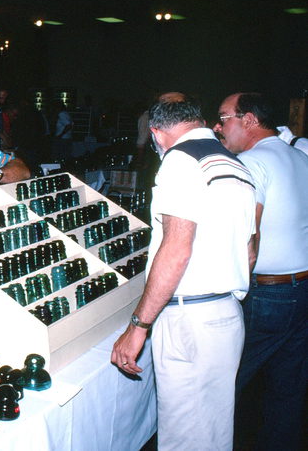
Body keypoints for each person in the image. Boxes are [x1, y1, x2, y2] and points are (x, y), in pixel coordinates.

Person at [111, 96, 256, 451]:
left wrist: (138, 326)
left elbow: (176, 250)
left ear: (156, 134)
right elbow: (250, 250)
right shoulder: (236, 164)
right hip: (226, 315)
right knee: (214, 433)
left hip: (188, 319)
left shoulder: (179, 160)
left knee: (183, 436)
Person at [214, 92, 308, 451]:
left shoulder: (251, 163)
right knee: (287, 391)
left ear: (249, 120)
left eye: (224, 118)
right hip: (302, 288)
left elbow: (247, 242)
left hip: (268, 296)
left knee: (226, 385)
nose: (218, 127)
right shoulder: (299, 157)